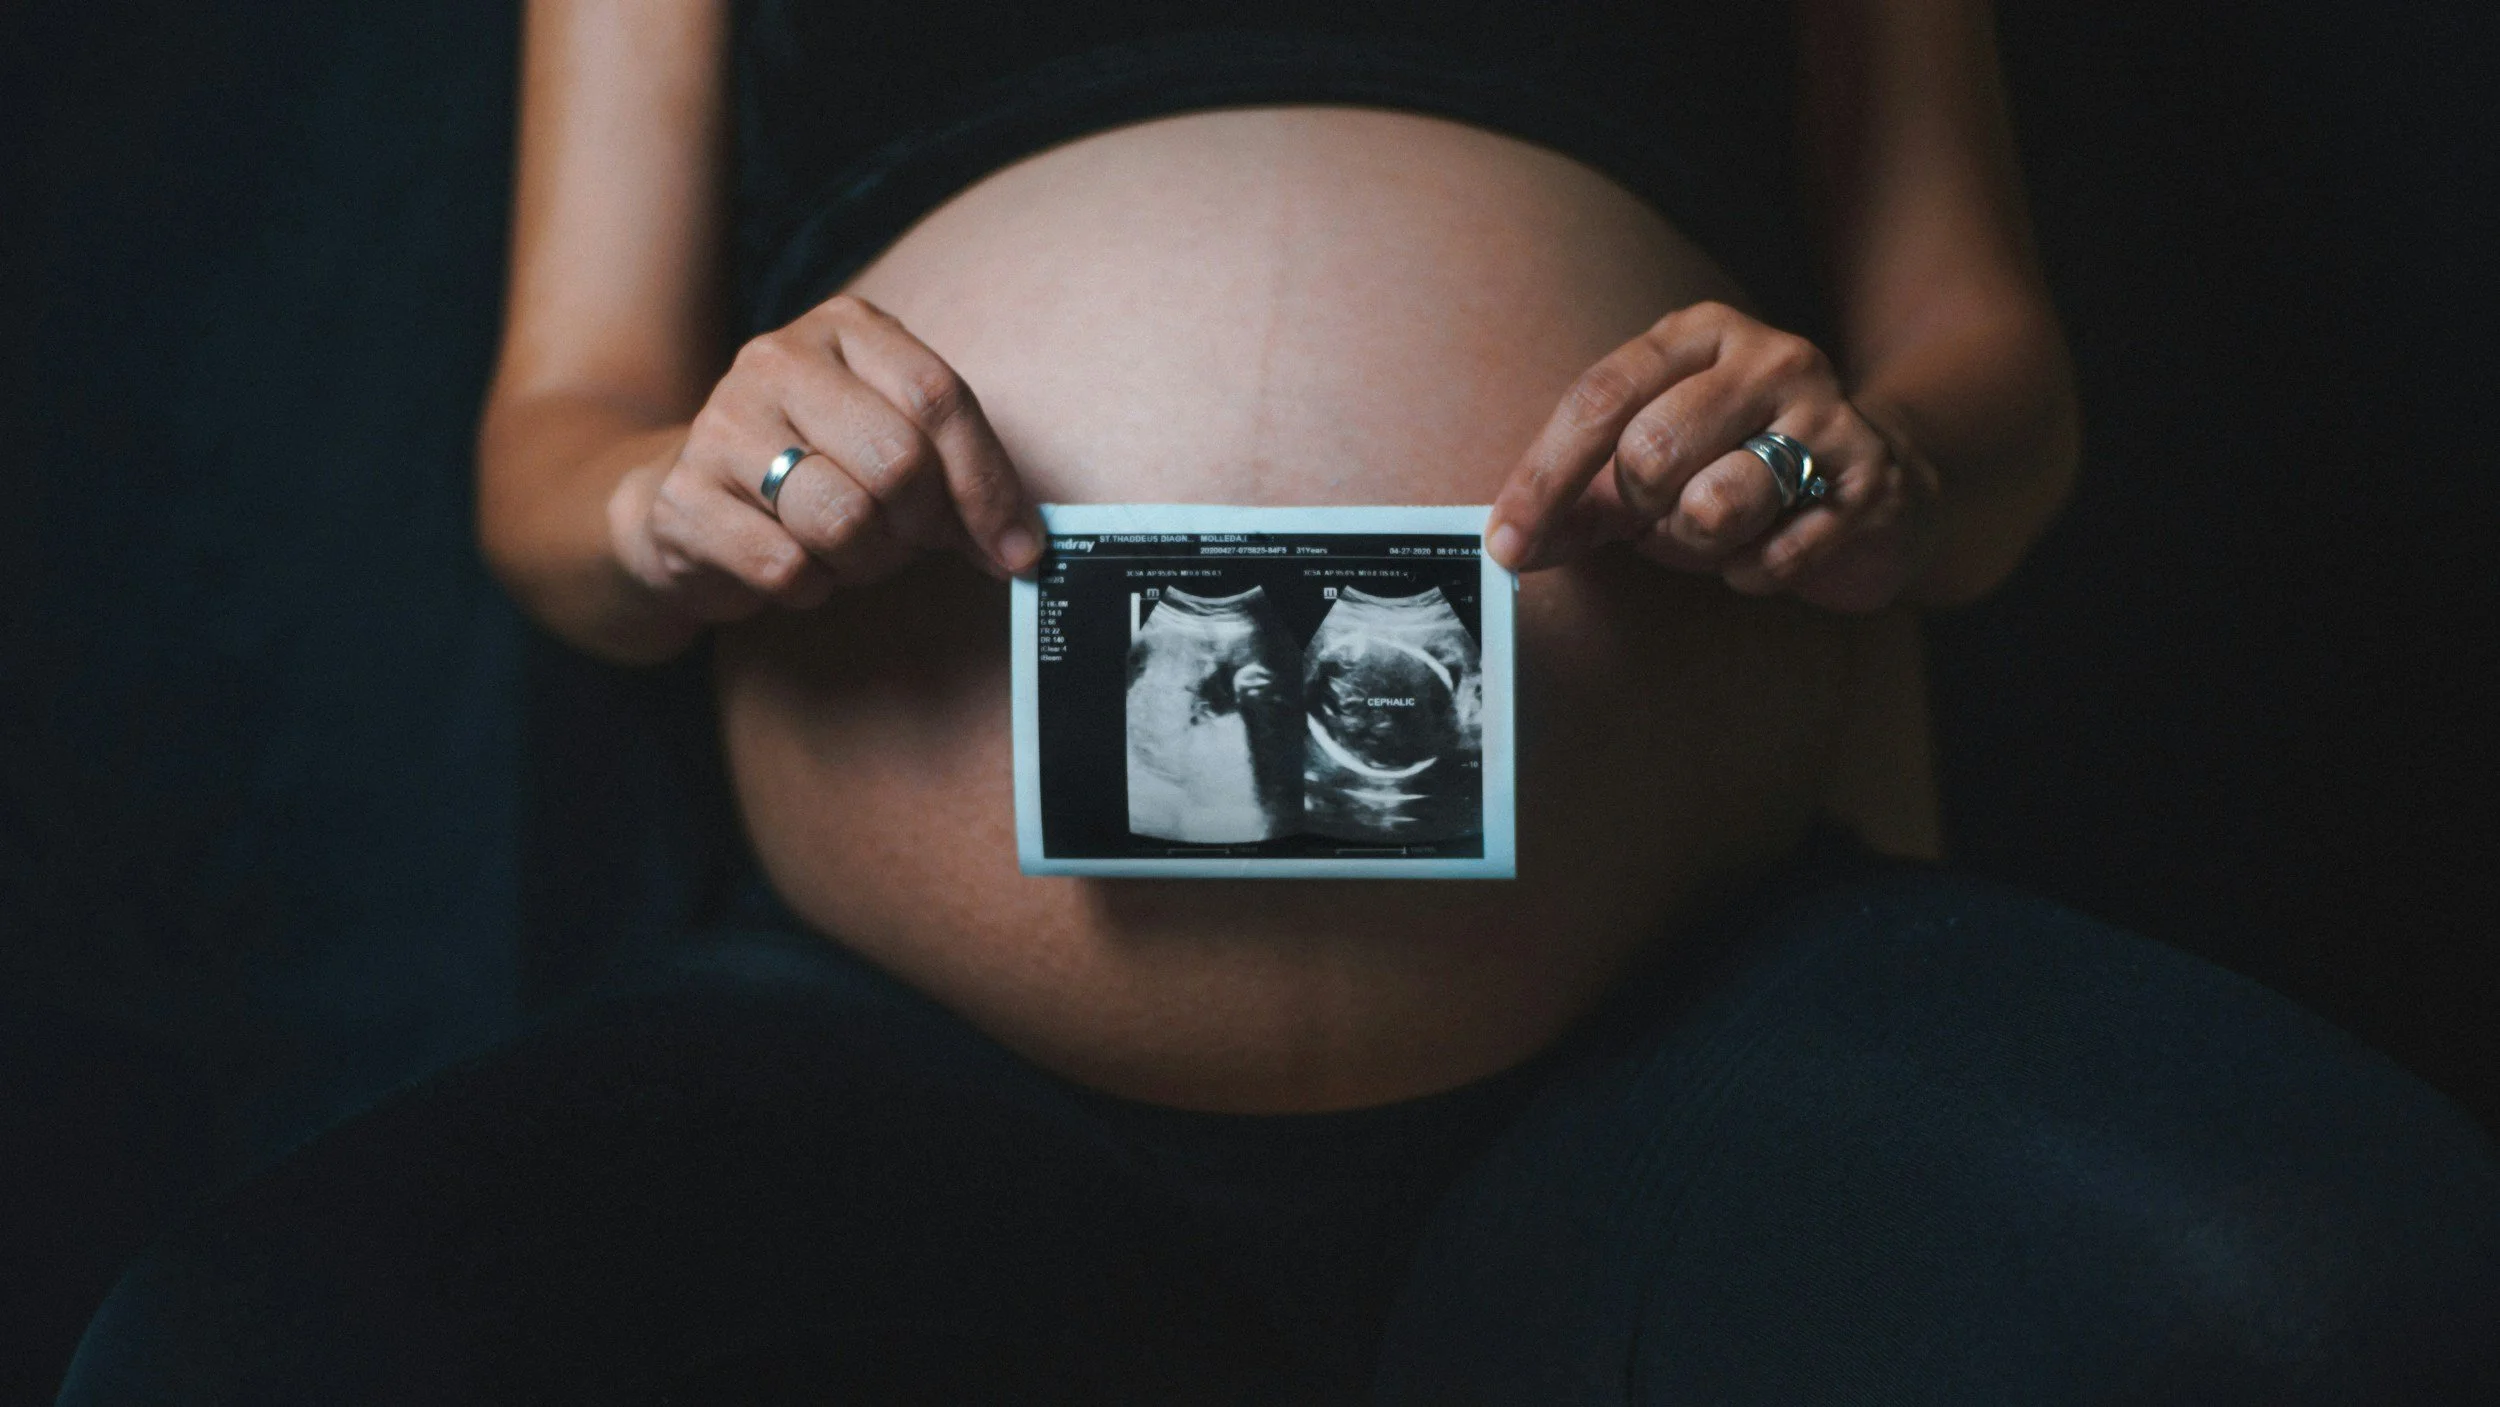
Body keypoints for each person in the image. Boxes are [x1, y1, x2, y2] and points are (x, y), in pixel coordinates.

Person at [56, 0, 2500, 1401]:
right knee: (236, 1364)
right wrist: (678, 502)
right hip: (898, 1071)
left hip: (1699, 1023)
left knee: (2327, 1293)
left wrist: (1869, 459)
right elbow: (548, 450)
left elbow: (1996, 392)